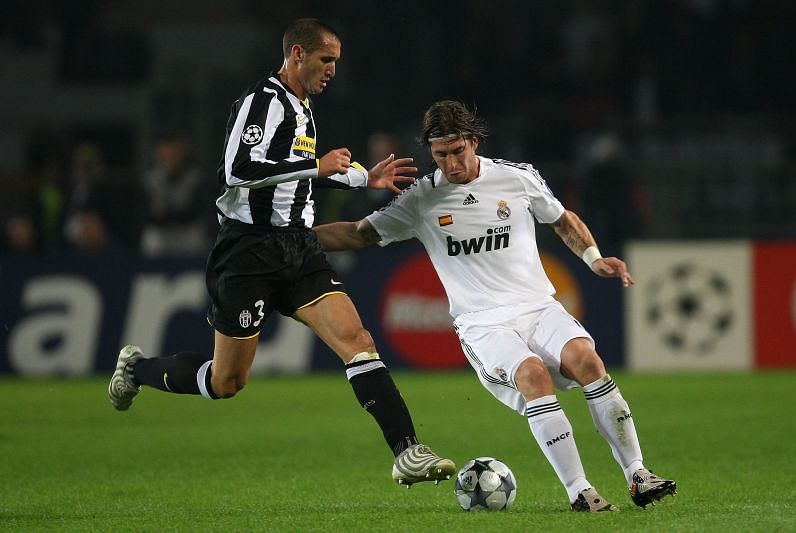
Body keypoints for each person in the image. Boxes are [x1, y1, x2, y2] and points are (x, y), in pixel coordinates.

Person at [108, 18, 455, 487]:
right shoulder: (262, 102)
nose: (332, 69)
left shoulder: (303, 106)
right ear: (296, 54)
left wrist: (361, 178)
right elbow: (238, 169)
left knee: (358, 342)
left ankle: (406, 450)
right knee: (225, 382)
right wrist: (315, 165)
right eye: (325, 59)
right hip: (247, 252)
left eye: (336, 61)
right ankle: (138, 369)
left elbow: (298, 172)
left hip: (298, 247)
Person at [312, 100, 677, 511]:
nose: (450, 164)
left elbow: (562, 219)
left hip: (538, 307)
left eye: (456, 151)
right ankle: (580, 491)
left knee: (588, 361)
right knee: (533, 375)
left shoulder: (517, 178)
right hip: (483, 325)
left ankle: (638, 475)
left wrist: (594, 258)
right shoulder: (421, 199)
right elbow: (358, 234)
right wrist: (291, 236)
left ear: (473, 141)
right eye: (440, 155)